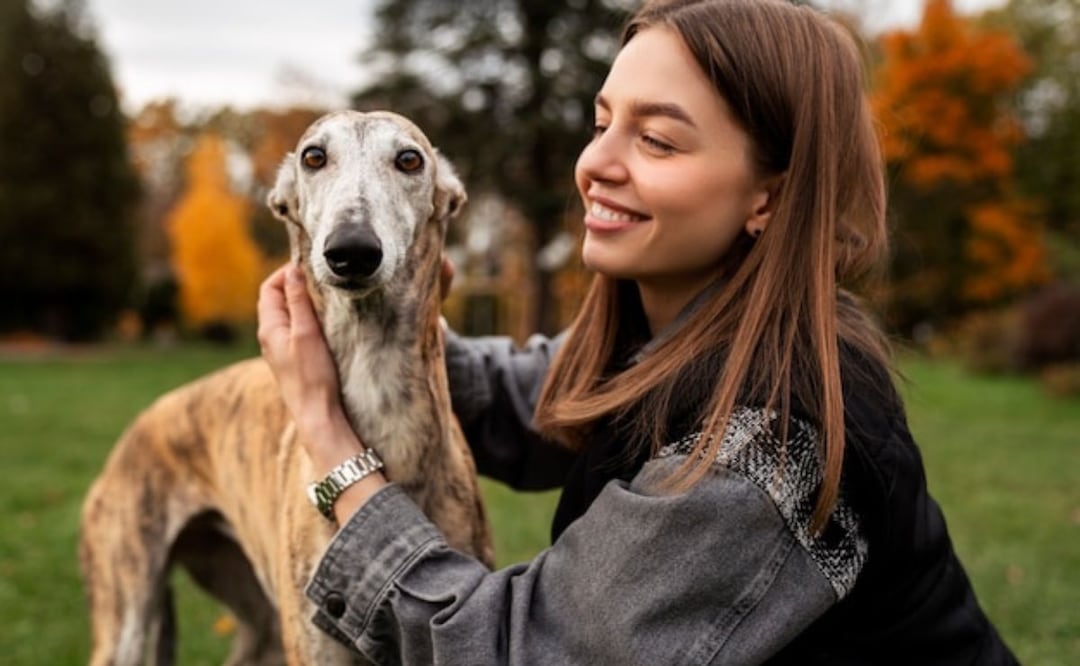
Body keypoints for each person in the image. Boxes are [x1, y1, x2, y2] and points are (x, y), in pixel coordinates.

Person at [257, 0, 1018, 663]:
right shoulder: (680, 332)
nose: (595, 165)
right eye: (601, 123)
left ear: (767, 198)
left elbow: (518, 650)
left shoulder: (771, 438)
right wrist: (390, 313)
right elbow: (530, 400)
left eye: (655, 140)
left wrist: (329, 437)